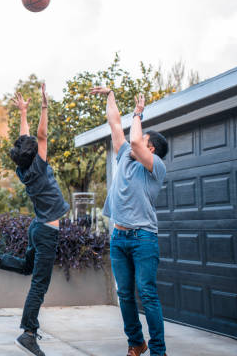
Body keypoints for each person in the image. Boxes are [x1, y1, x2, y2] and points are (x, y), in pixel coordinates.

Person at [0, 83, 70, 356]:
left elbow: (27, 140)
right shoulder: (39, 164)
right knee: (39, 283)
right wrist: (44, 106)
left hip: (37, 227)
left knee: (26, 267)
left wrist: (24, 111)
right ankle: (28, 333)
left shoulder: (24, 168)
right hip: (45, 231)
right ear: (35, 153)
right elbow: (41, 135)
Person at [90, 87, 169, 356]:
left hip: (143, 238)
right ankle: (136, 342)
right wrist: (110, 95)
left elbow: (135, 140)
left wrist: (138, 113)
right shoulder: (124, 155)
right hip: (119, 238)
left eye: (143, 138)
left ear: (151, 148)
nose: (136, 140)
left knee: (147, 294)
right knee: (125, 294)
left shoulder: (155, 166)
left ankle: (158, 351)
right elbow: (115, 124)